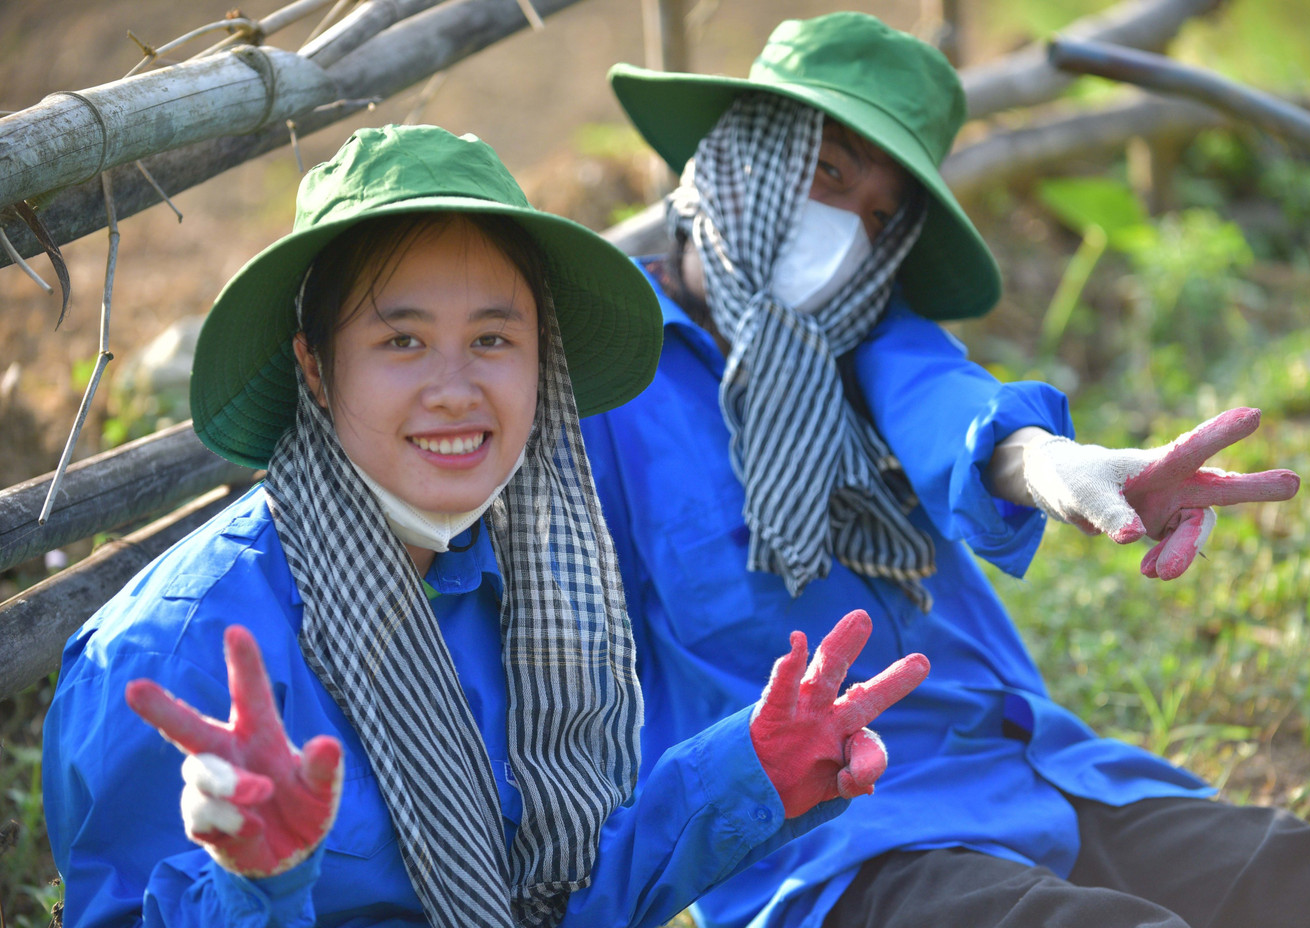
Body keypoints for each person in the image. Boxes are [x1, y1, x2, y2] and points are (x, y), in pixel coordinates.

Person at [579, 12, 1310, 928]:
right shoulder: (603, 384)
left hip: (1039, 772)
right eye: (831, 171)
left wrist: (1054, 466)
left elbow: (953, 414)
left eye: (881, 215)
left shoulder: (875, 340)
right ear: (739, 148)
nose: (845, 228)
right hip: (846, 848)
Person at [40, 124, 931, 928]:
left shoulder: (527, 585)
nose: (457, 389)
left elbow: (558, 904)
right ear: (315, 368)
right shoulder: (181, 653)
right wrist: (257, 889)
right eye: (403, 341)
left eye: (494, 340)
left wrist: (754, 772)